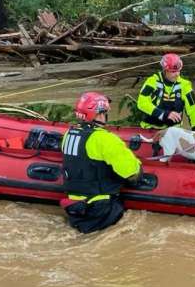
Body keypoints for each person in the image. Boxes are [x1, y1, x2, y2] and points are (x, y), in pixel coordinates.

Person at [61, 92, 143, 233]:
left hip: (75, 208)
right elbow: (132, 173)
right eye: (105, 112)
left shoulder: (68, 135)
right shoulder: (105, 139)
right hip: (101, 208)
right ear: (99, 114)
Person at [137, 53, 195, 131]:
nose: (177, 74)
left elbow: (194, 109)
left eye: (178, 71)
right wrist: (163, 114)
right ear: (165, 70)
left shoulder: (185, 85)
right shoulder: (152, 81)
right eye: (173, 71)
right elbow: (142, 102)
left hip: (174, 131)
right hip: (150, 128)